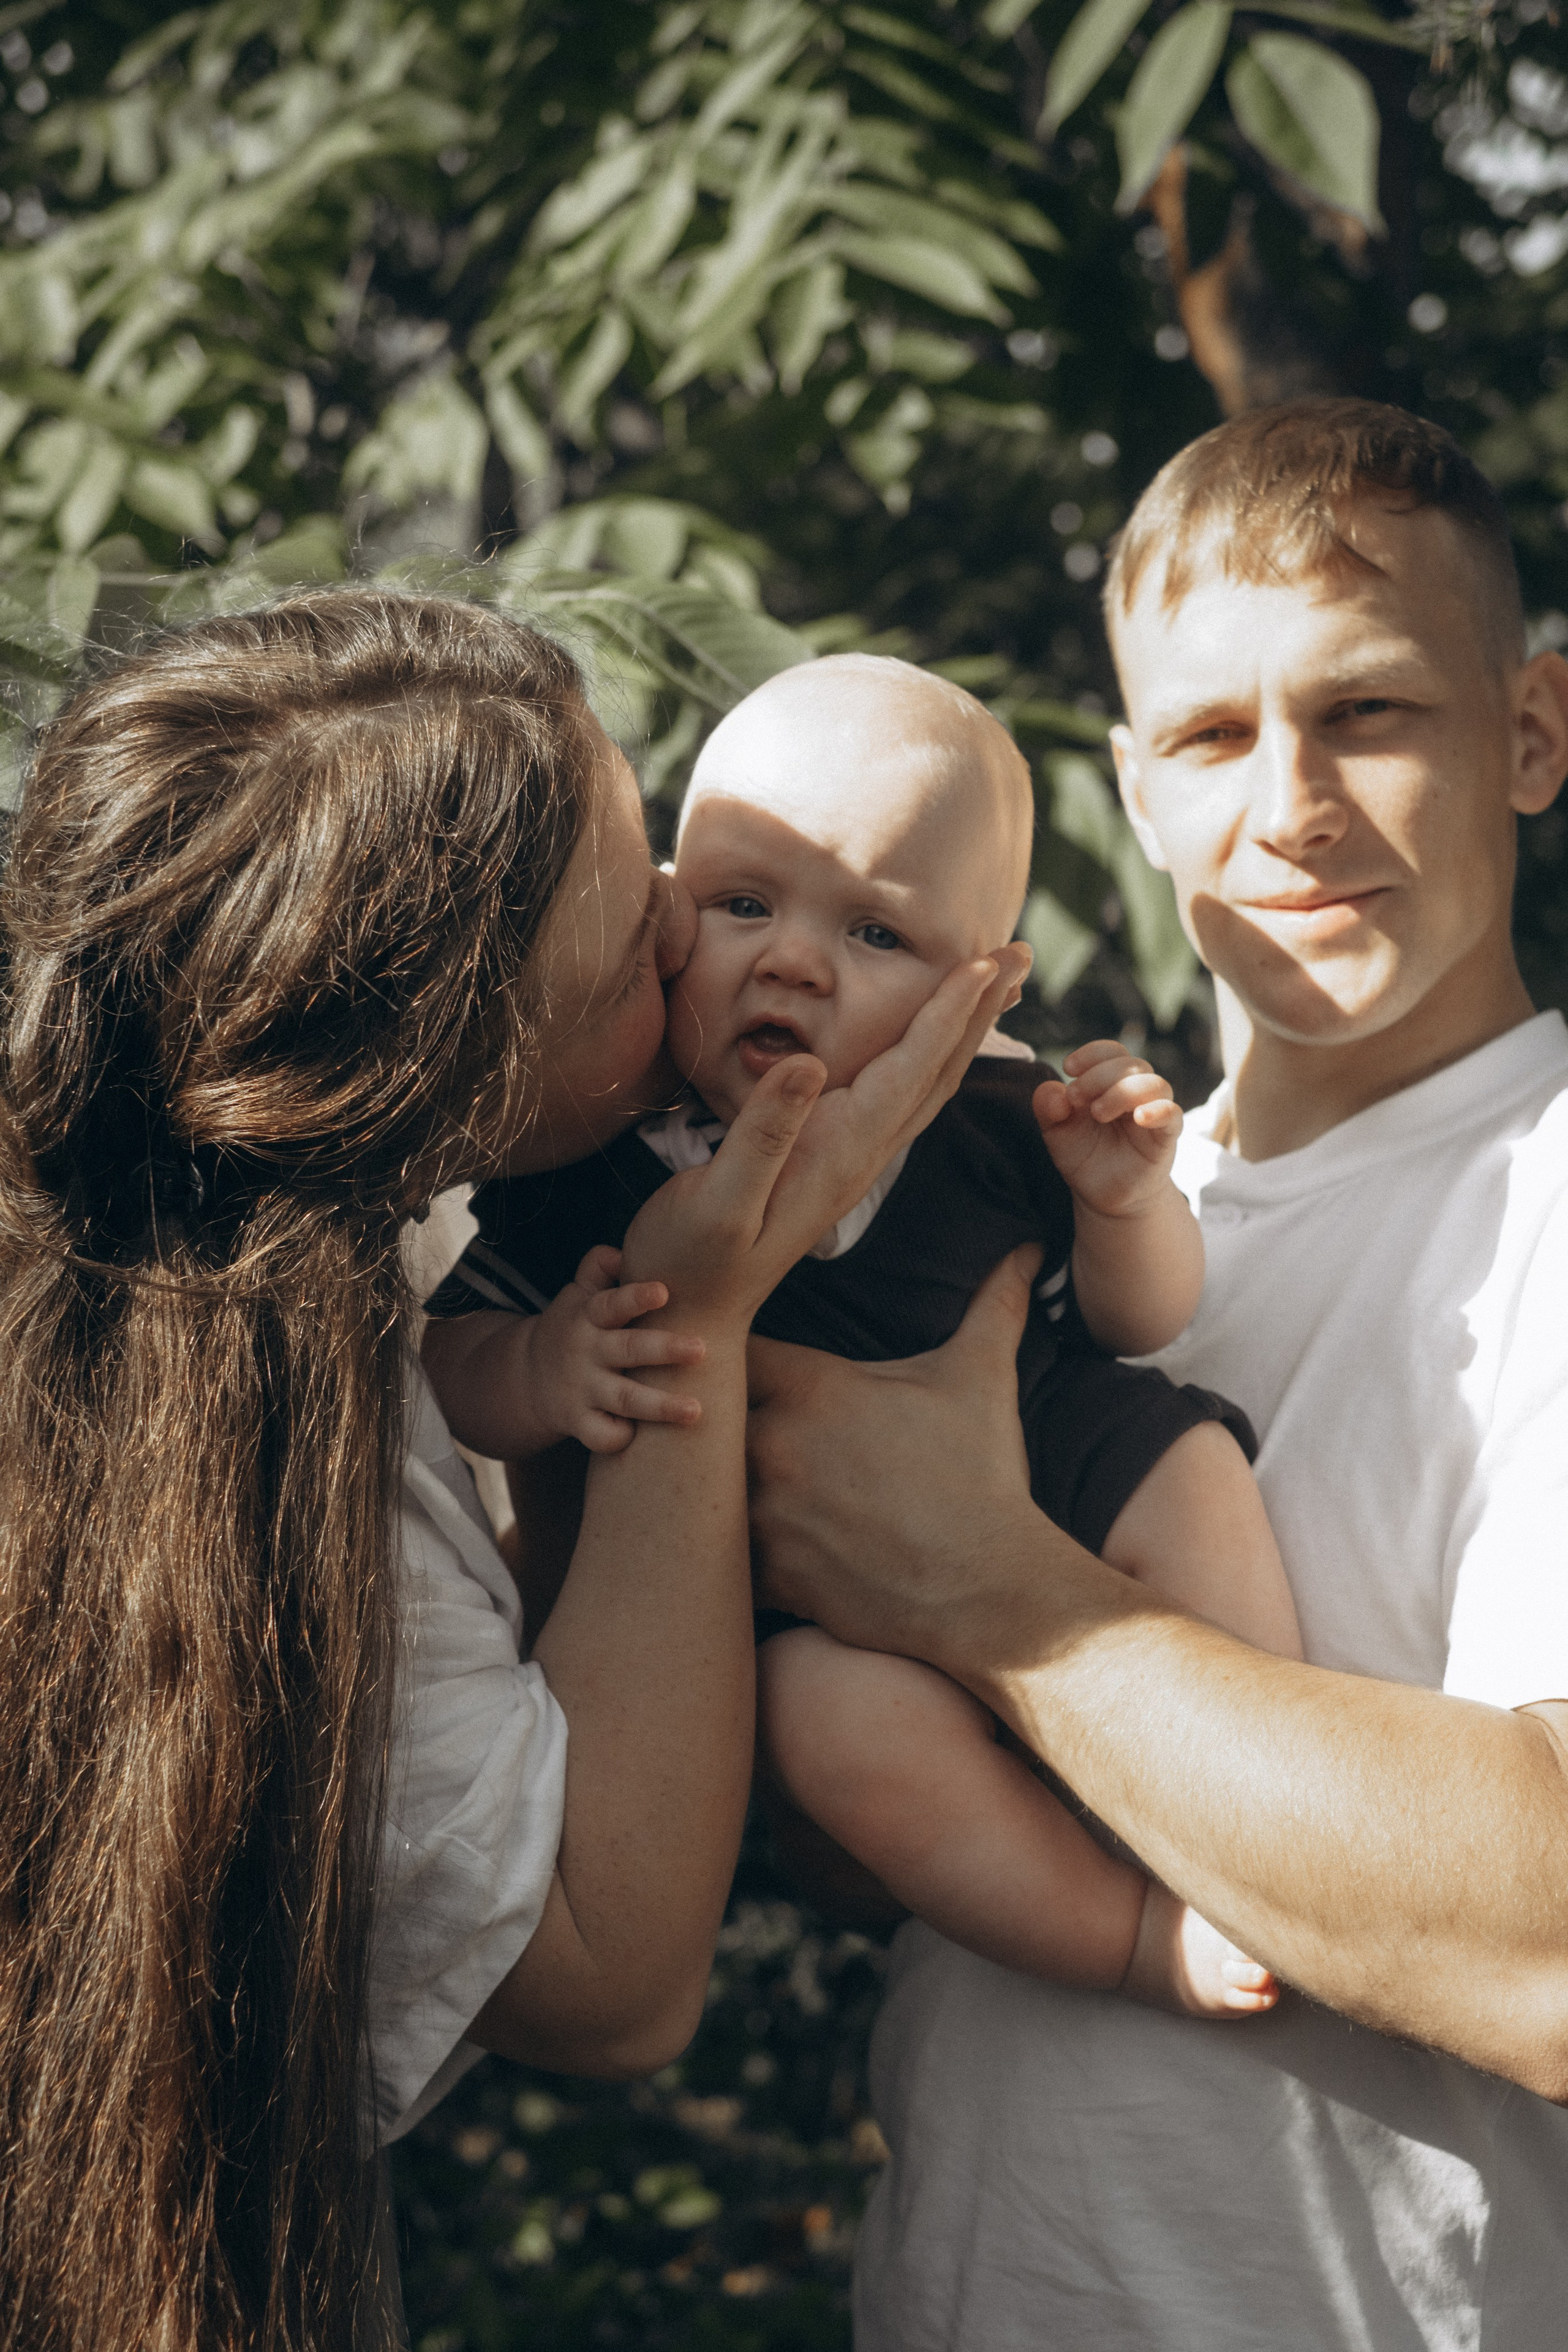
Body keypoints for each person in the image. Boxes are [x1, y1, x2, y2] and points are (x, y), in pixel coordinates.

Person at [0, 592, 1021, 2352]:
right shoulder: (239, 1454)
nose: (694, 930)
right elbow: (610, 1973)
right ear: (448, 1063)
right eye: (641, 931)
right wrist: (692, 1314)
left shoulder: (214, 1249)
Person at [747, 399, 1568, 2350]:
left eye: (1368, 712)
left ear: (1532, 733)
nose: (1287, 806)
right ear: (1131, 792)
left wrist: (987, 1588)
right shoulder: (1065, 1204)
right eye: (1211, 736)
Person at [426, 654, 1298, 2016]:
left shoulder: (1002, 1115)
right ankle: (1126, 1936)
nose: (791, 959)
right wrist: (544, 1368)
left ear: (984, 991)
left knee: (1191, 1474)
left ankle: (1260, 1827)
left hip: (1050, 1450)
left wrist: (1124, 1203)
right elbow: (450, 1361)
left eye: (874, 935)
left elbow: (1141, 1322)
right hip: (801, 1595)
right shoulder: (603, 1159)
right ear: (663, 912)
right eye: (741, 903)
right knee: (830, 1727)